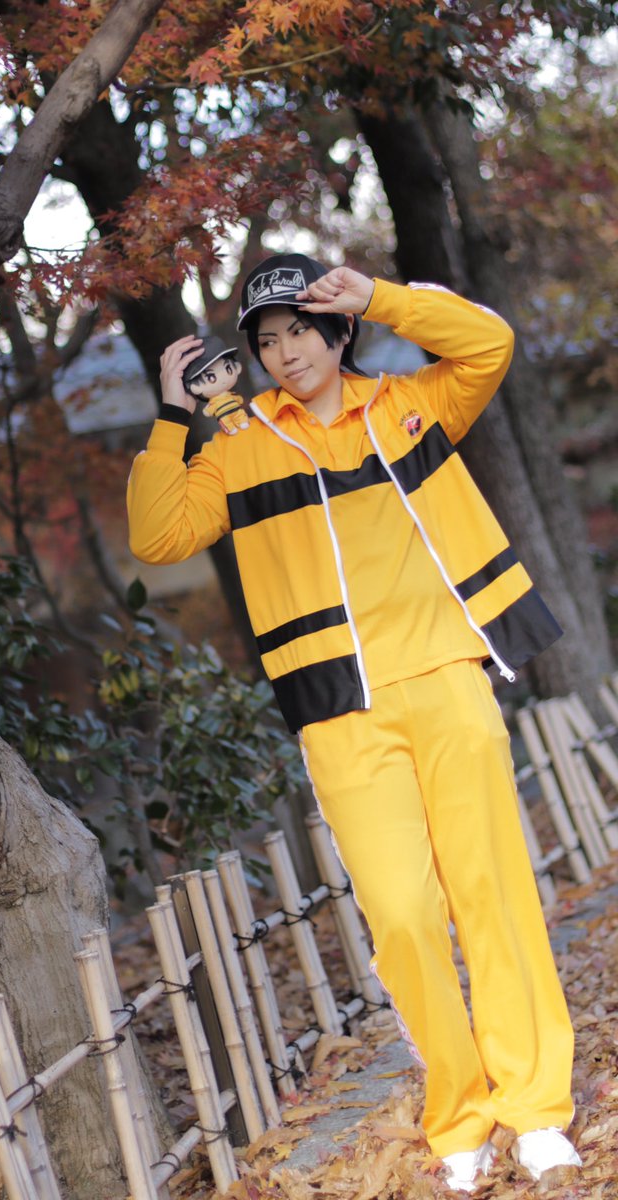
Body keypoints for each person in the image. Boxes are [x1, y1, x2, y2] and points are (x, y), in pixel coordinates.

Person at [127, 253, 581, 1192]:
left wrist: (382, 298)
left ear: (337, 333)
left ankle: (536, 1109)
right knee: (404, 918)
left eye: (301, 329)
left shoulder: (413, 405)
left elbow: (488, 343)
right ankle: (458, 1115)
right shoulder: (241, 445)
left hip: (447, 680)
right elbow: (158, 534)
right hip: (342, 715)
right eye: (267, 340)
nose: (286, 351)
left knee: (492, 894)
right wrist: (173, 415)